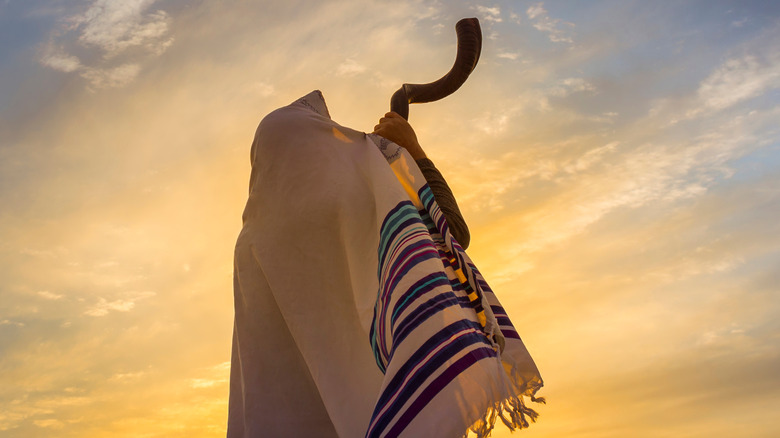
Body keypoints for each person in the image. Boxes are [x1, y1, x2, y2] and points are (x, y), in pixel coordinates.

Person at [228, 90, 543, 438]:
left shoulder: (250, 244)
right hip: (373, 407)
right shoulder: (344, 202)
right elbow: (451, 233)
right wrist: (410, 152)